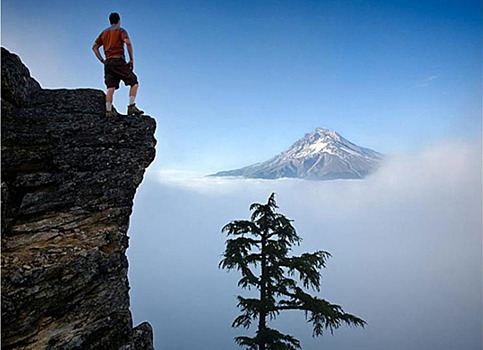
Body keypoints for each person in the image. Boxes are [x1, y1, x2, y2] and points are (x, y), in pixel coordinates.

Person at [92, 12, 144, 117]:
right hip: (118, 60)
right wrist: (131, 59)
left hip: (108, 63)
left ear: (110, 21)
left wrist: (102, 60)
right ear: (119, 20)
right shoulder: (120, 30)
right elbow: (128, 42)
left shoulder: (103, 33)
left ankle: (108, 111)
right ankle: (131, 106)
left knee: (111, 87)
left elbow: (94, 47)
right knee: (134, 82)